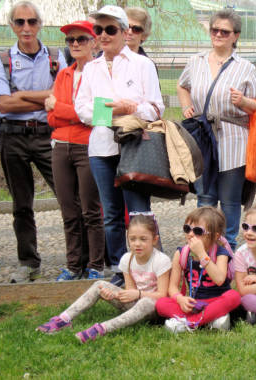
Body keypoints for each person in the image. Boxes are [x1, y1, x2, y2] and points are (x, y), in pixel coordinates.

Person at [74, 5, 164, 287]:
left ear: (124, 32)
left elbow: (155, 108)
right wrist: (114, 111)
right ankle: (119, 268)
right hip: (101, 148)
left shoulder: (142, 65)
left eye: (109, 29)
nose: (103, 35)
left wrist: (132, 107)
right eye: (98, 30)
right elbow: (82, 110)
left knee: (138, 211)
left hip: (134, 146)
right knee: (111, 214)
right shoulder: (91, 68)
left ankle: (147, 268)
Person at [177, 9, 256, 251]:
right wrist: (187, 107)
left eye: (224, 32)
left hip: (233, 139)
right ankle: (203, 244)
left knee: (230, 199)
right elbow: (182, 85)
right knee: (205, 198)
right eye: (214, 30)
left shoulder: (245, 67)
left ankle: (229, 248)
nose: (218, 35)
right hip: (204, 139)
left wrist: (243, 102)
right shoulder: (196, 61)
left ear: (235, 36)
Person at [0, 1, 67, 283]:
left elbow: (61, 99)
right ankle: (28, 261)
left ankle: (80, 259)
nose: (26, 27)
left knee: (67, 198)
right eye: (20, 22)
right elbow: (3, 103)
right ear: (12, 26)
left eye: (32, 21)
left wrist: (23, 95)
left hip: (49, 135)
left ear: (40, 24)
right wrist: (44, 95)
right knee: (21, 205)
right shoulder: (1, 60)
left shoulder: (57, 57)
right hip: (12, 136)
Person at [36, 214, 171, 343]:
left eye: (143, 239)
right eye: (133, 239)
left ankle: (102, 329)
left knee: (146, 302)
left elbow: (162, 296)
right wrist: (115, 295)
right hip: (136, 304)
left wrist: (139, 294)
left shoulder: (161, 260)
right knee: (99, 284)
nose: (137, 244)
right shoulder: (127, 259)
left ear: (154, 240)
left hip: (155, 310)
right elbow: (130, 292)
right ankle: (63, 319)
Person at [44, 20, 106, 281]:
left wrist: (61, 108)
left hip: (87, 145)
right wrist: (75, 114)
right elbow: (51, 119)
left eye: (81, 39)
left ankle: (95, 264)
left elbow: (99, 115)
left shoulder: (101, 73)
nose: (75, 44)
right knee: (68, 209)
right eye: (71, 41)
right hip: (60, 146)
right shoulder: (63, 74)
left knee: (91, 209)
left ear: (94, 42)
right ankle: (73, 265)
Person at [155, 207, 241, 333]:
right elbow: (172, 287)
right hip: (194, 303)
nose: (190, 234)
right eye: (187, 229)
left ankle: (188, 322)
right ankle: (211, 320)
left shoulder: (220, 253)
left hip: (216, 301)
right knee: (161, 303)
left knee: (234, 296)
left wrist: (202, 254)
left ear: (215, 236)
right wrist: (181, 299)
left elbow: (219, 279)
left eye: (198, 231)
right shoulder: (181, 253)